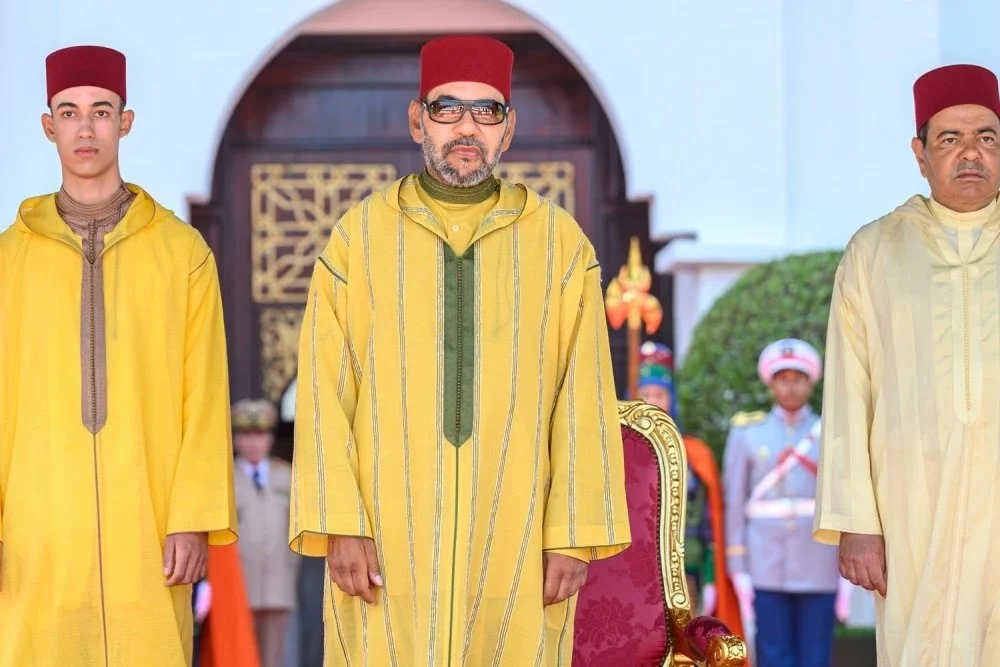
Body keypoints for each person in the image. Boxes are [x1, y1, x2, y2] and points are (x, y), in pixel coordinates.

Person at [289, 34, 631, 665]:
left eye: (486, 110)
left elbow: (583, 393)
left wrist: (574, 534)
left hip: (520, 532)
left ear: (509, 129)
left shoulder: (560, 245)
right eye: (448, 108)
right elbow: (323, 391)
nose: (467, 127)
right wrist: (339, 521)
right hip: (385, 533)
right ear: (417, 120)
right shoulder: (358, 238)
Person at [0, 45, 237, 666]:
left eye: (101, 112)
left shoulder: (182, 253)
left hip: (150, 526)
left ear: (124, 122)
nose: (86, 128)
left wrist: (193, 516)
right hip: (35, 531)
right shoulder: (8, 260)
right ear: (48, 125)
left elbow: (205, 393)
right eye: (69, 112)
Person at [814, 63, 1000, 666]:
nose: (970, 153)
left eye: (987, 137)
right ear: (920, 155)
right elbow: (848, 393)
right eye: (950, 139)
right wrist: (855, 522)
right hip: (910, 506)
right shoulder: (875, 251)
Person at [723, 339, 849, 667]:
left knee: (815, 654)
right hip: (765, 562)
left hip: (818, 560)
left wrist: (845, 569)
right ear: (771, 384)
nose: (790, 387)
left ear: (810, 383)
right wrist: (737, 566)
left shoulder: (830, 432)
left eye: (798, 379)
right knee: (773, 653)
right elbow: (734, 503)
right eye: (783, 379)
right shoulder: (747, 434)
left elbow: (844, 499)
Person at [635, 342, 744, 639]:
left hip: (687, 569)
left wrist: (710, 576)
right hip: (637, 570)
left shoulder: (695, 454)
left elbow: (710, 522)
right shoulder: (621, 452)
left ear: (671, 399)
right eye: (645, 394)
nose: (652, 402)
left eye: (659, 395)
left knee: (686, 643)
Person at [231, 398, 300, 667]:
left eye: (260, 434)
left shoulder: (287, 476)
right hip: (237, 587)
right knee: (237, 657)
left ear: (270, 437)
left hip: (278, 585)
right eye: (246, 434)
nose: (253, 442)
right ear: (236, 438)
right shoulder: (226, 477)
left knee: (274, 658)